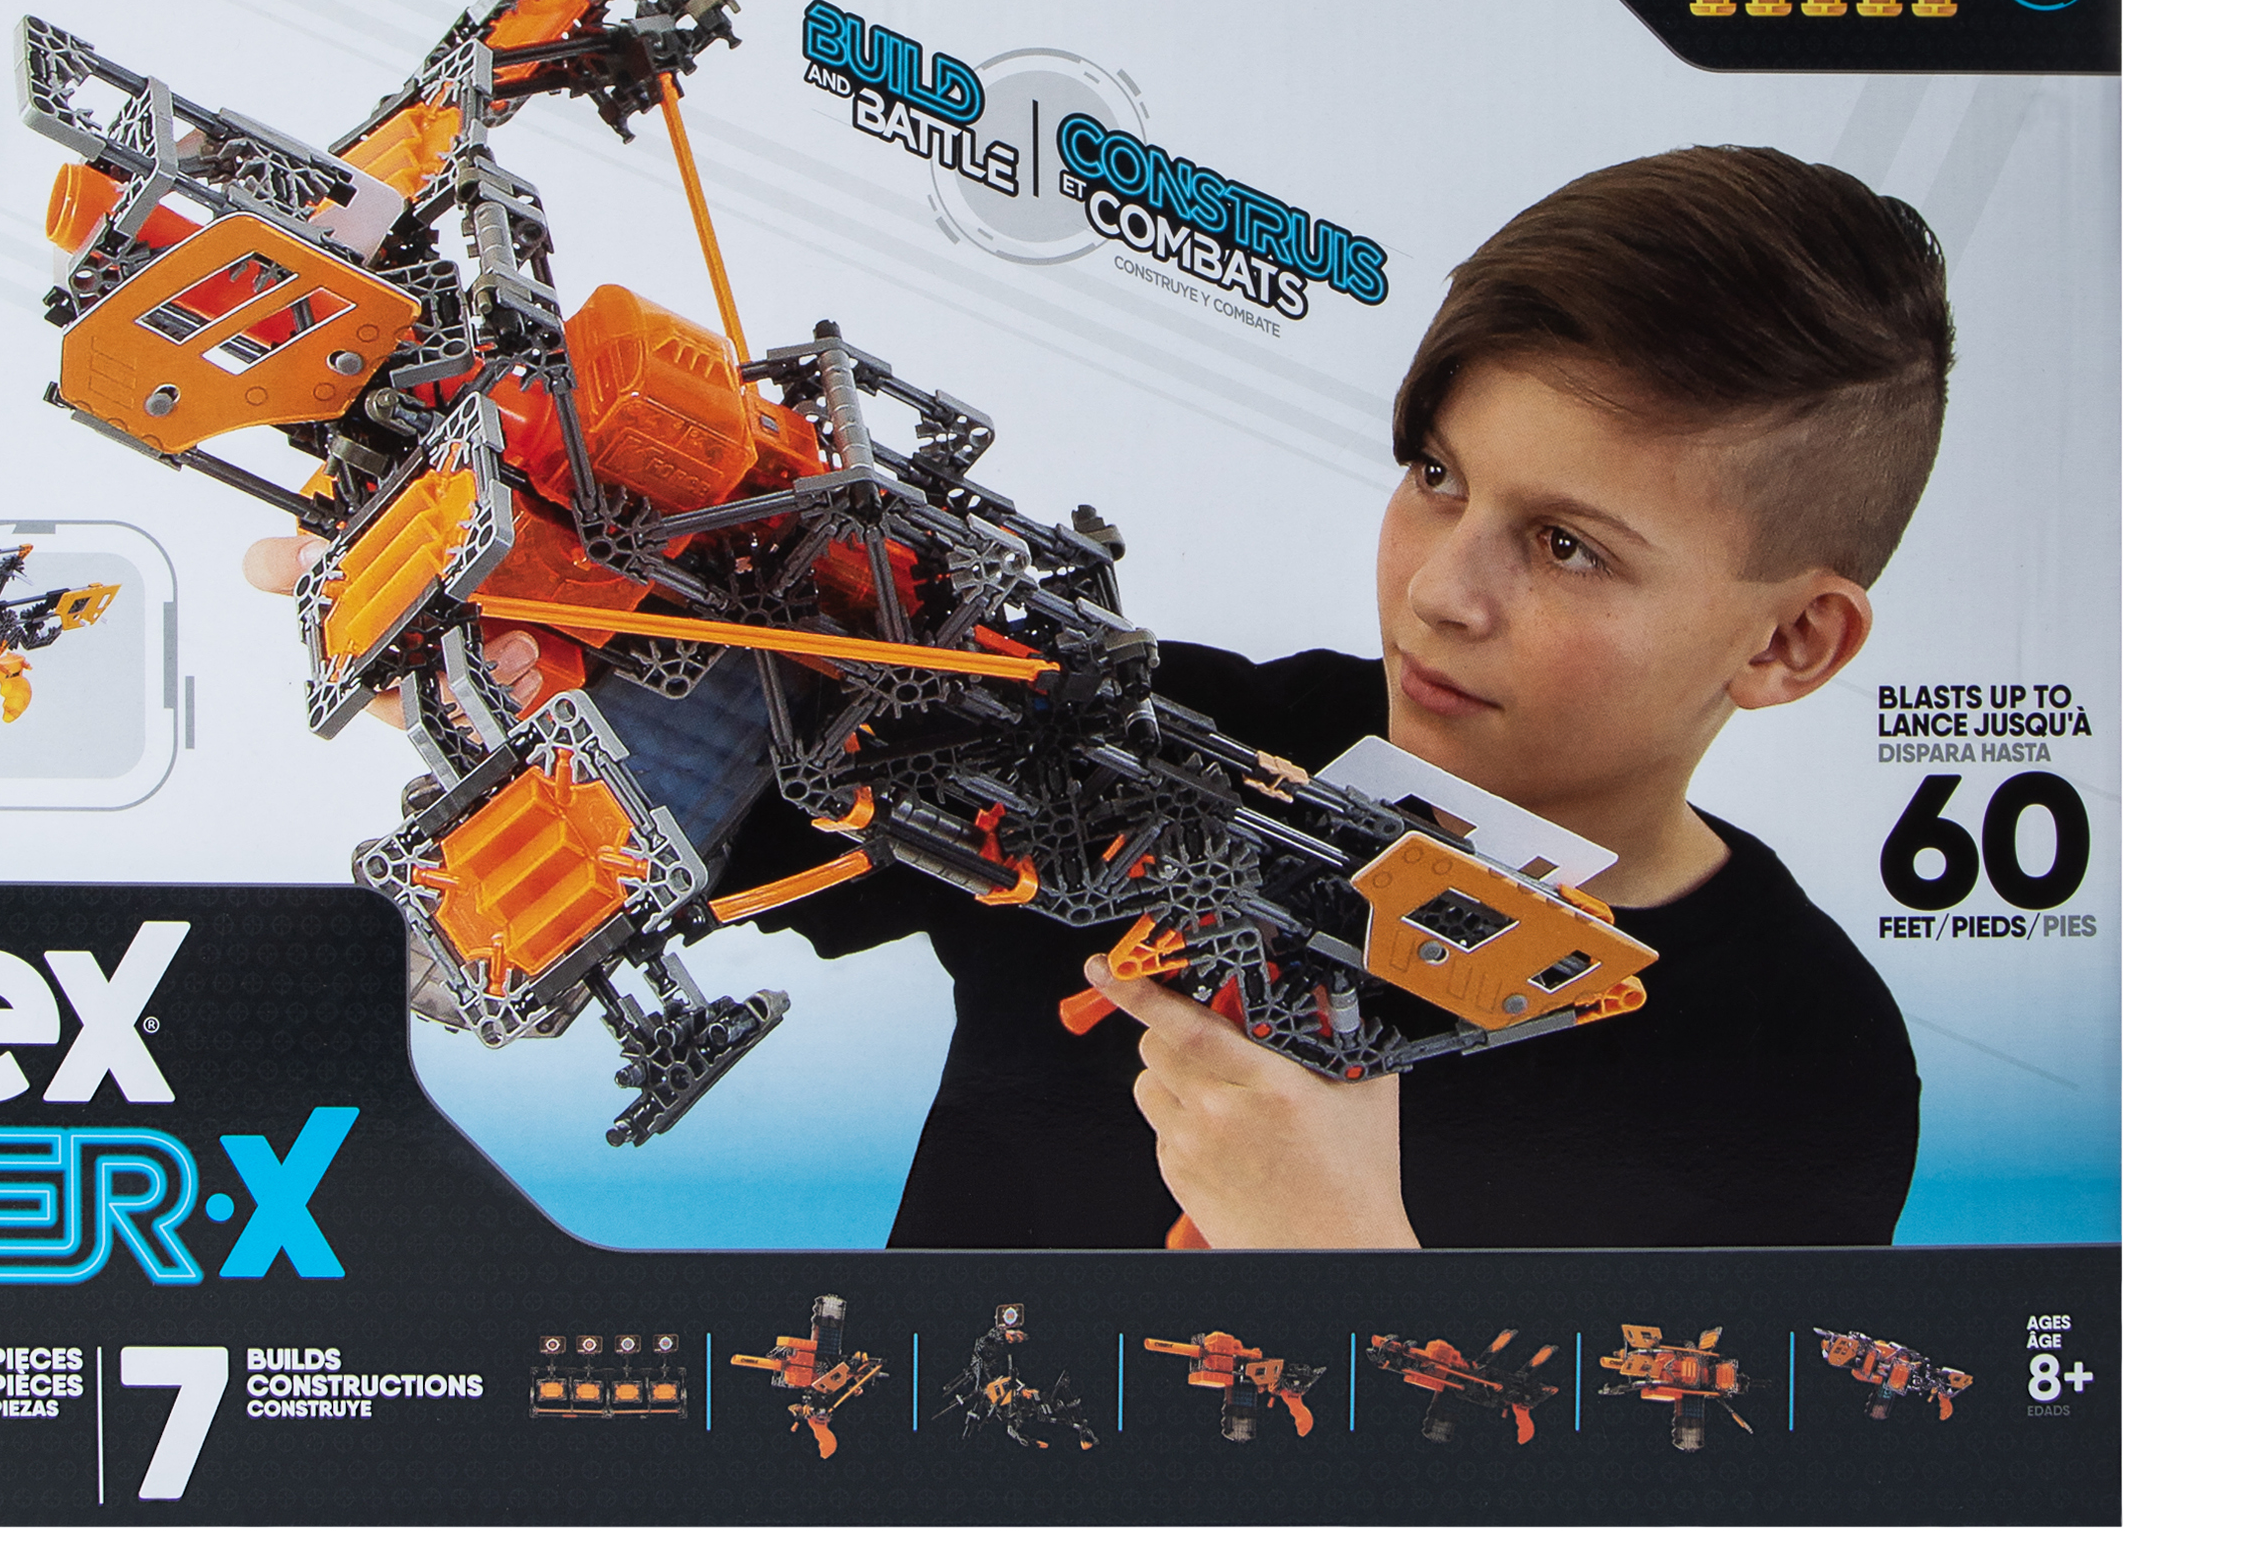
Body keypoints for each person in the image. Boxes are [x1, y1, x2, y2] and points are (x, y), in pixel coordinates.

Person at [252, 145, 1949, 1253]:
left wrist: (1348, 1276)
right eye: (1436, 476)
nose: (1446, 586)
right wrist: (500, 589)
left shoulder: (1804, 1067)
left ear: (1789, 644)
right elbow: (722, 757)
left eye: (1570, 547)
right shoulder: (1152, 729)